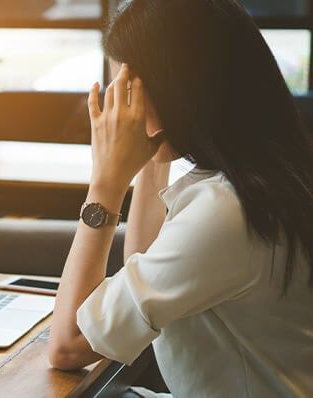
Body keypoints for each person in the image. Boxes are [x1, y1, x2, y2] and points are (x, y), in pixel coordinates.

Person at [46, 0, 313, 396]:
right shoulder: (267, 177)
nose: (123, 105)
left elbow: (68, 345)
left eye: (130, 85)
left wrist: (105, 182)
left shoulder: (226, 212)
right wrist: (149, 156)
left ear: (177, 86)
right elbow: (143, 265)